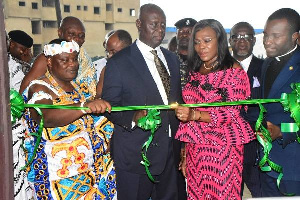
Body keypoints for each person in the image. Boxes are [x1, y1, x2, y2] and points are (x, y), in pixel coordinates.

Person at [101, 4, 182, 200]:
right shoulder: (119, 62)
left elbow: (177, 100)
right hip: (135, 155)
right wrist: (133, 117)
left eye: (163, 25)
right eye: (154, 24)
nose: (160, 30)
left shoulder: (172, 59)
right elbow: (109, 104)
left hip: (170, 154)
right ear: (139, 24)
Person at [22, 39, 117, 200]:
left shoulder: (79, 89)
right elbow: (46, 116)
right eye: (64, 60)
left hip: (90, 176)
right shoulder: (39, 88)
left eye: (74, 59)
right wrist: (83, 107)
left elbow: (93, 123)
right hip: (59, 181)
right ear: (50, 62)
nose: (72, 64)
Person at [174, 19, 256, 199]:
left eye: (207, 41)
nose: (200, 47)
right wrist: (186, 154)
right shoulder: (196, 69)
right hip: (196, 149)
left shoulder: (233, 70)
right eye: (197, 42)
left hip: (222, 149)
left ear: (219, 41)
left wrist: (194, 115)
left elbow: (231, 112)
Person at [259, 8, 300, 196]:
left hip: (293, 165)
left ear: (295, 36)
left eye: (276, 36)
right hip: (266, 162)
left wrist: (282, 131)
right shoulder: (267, 63)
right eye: (266, 34)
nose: (267, 41)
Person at [19, 16, 97, 97]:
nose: (77, 39)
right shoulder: (47, 58)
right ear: (60, 32)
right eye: (71, 34)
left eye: (81, 36)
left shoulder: (83, 56)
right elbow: (25, 89)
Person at [229, 21, 264, 197]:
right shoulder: (220, 68)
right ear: (230, 40)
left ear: (254, 40)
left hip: (255, 143)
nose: (242, 41)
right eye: (237, 36)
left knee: (260, 192)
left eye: (247, 37)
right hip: (227, 144)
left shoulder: (265, 67)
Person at [7, 30, 34, 200]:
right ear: (11, 45)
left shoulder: (22, 65)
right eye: (22, 49)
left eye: (27, 50)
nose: (25, 53)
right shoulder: (9, 66)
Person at [96, 29, 132, 97]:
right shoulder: (106, 70)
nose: (109, 56)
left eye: (113, 52)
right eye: (107, 52)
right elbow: (98, 94)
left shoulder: (139, 67)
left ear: (126, 50)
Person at [174, 18, 197, 89]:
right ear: (176, 34)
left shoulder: (202, 61)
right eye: (180, 31)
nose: (184, 35)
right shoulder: (166, 59)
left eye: (189, 32)